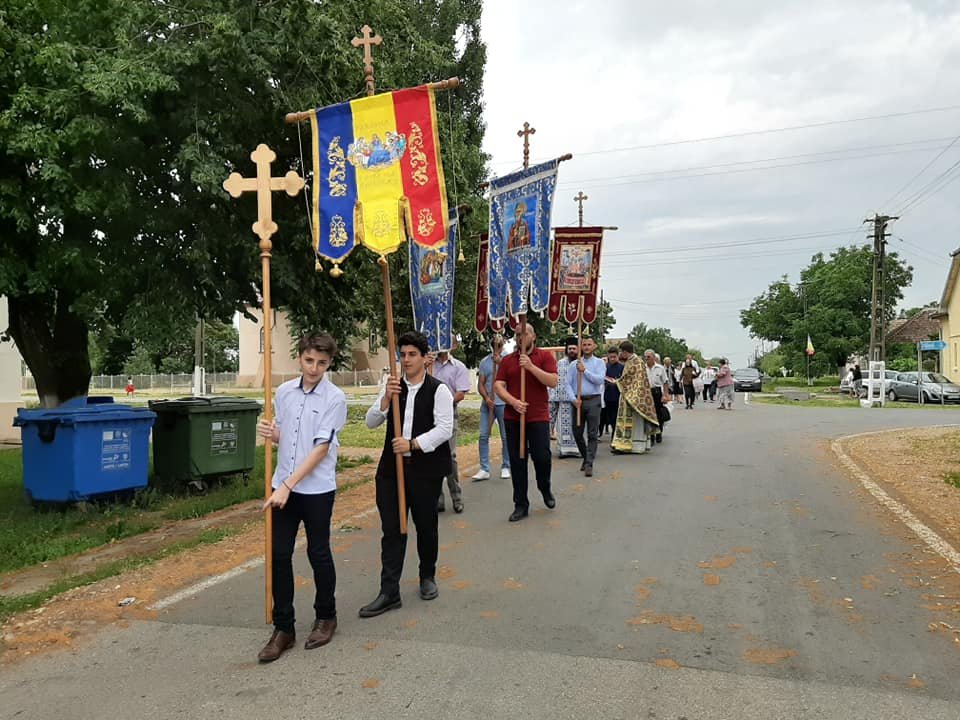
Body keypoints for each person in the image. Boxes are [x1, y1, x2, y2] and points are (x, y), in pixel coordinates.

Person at [255, 333, 349, 663]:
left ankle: (326, 616)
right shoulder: (284, 393)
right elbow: (291, 439)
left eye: (322, 363)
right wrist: (273, 434)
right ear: (299, 357)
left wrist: (288, 486)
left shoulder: (335, 399)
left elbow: (320, 449)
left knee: (318, 551)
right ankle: (284, 628)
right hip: (283, 484)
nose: (314, 368)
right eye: (309, 360)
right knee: (279, 553)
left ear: (329, 364)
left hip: (315, 488)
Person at [359, 331, 454, 618]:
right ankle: (389, 591)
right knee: (392, 530)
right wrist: (386, 399)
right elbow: (370, 422)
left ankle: (427, 576)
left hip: (425, 470)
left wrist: (413, 444)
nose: (407, 359)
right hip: (391, 471)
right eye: (403, 354)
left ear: (426, 358)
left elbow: (444, 429)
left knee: (426, 525)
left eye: (413, 354)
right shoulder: (393, 387)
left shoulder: (439, 390)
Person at [494, 324, 559, 522]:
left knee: (541, 456)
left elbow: (553, 381)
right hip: (513, 418)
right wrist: (513, 401)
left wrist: (530, 366)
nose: (521, 337)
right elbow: (498, 385)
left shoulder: (545, 357)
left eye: (525, 333)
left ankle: (544, 486)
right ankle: (521, 504)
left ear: (534, 336)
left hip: (538, 416)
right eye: (518, 334)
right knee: (517, 461)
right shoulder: (507, 361)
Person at [431, 342, 471, 513]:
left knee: (449, 455)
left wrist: (443, 405)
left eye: (445, 341)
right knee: (431, 454)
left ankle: (456, 496)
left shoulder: (458, 367)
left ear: (452, 345)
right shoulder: (428, 365)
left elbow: (461, 393)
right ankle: (437, 498)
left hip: (449, 413)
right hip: (428, 414)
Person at [473, 335, 511, 481]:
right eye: (495, 345)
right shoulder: (484, 362)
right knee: (483, 435)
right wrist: (487, 398)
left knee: (505, 437)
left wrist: (500, 363)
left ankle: (506, 466)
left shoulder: (507, 360)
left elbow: (512, 380)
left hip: (503, 404)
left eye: (500, 345)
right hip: (487, 404)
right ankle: (484, 468)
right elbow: (480, 384)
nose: (498, 347)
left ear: (502, 346)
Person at [611, 341, 660, 454]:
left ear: (624, 351)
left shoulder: (636, 362)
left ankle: (633, 446)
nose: (620, 354)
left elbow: (632, 380)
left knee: (634, 423)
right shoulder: (633, 361)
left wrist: (617, 382)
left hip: (633, 397)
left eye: (620, 352)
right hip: (631, 395)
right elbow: (630, 378)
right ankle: (628, 445)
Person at [567, 336, 605, 477]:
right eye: (584, 345)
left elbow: (599, 380)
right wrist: (573, 399)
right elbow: (567, 384)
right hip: (578, 401)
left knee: (592, 433)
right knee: (577, 432)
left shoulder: (599, 362)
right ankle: (585, 456)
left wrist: (585, 371)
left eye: (589, 344)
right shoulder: (574, 364)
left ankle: (589, 463)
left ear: (594, 346)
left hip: (593, 400)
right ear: (581, 347)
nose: (587, 347)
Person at [549, 337, 581, 458]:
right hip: (564, 401)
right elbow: (559, 382)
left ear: (578, 349)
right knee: (563, 426)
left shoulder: (581, 362)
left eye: (574, 348)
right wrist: (555, 398)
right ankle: (564, 450)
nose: (572, 350)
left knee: (578, 426)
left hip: (578, 400)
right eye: (570, 349)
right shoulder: (561, 363)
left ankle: (578, 449)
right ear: (566, 350)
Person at [643, 349, 672, 444]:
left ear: (653, 358)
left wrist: (665, 395)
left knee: (658, 414)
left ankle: (659, 433)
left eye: (648, 357)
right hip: (647, 393)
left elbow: (665, 382)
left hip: (657, 392)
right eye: (645, 357)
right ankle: (651, 436)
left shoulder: (660, 368)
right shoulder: (643, 368)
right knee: (649, 414)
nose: (646, 359)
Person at [601, 347, 623, 437]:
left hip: (618, 396)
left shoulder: (622, 367)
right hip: (607, 396)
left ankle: (615, 436)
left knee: (616, 419)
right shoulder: (605, 367)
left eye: (614, 357)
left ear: (618, 356)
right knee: (609, 418)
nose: (613, 359)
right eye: (611, 357)